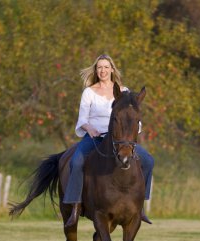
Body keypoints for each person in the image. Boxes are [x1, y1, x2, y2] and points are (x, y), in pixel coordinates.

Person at [63, 54, 154, 227]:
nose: (103, 70)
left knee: (149, 160)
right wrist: (90, 129)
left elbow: (133, 118)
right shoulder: (89, 92)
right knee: (76, 162)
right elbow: (82, 119)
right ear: (96, 70)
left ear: (112, 69)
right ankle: (75, 208)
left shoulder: (124, 91)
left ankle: (140, 207)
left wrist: (131, 133)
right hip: (96, 138)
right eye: (99, 67)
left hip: (121, 140)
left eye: (106, 67)